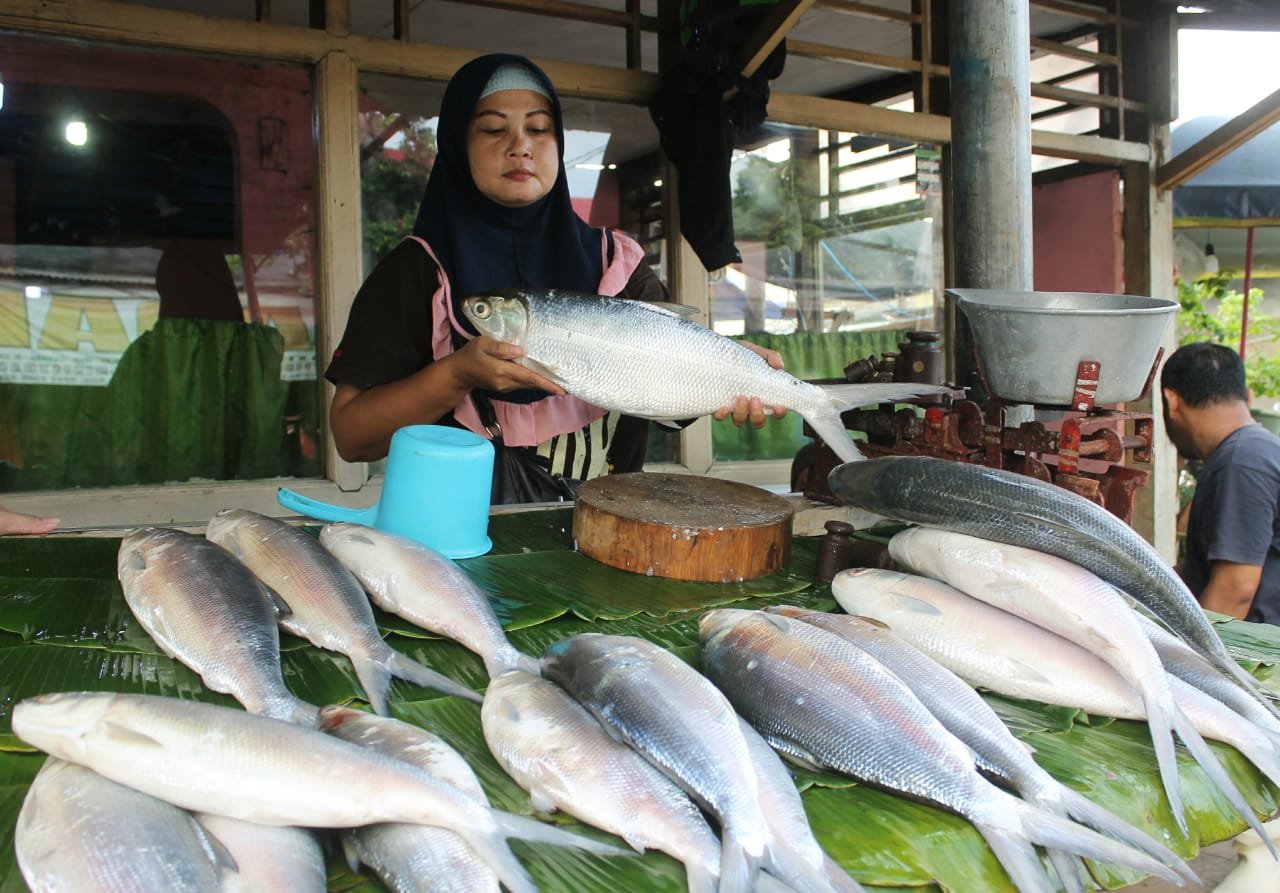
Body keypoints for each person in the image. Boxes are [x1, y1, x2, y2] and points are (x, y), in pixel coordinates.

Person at [325, 53, 784, 501]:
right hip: (456, 559)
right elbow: (352, 437)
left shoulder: (617, 264)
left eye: (539, 128)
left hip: (604, 547)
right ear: (455, 144)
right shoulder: (419, 272)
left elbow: (668, 405)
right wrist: (458, 373)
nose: (520, 145)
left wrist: (729, 371)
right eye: (492, 128)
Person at [1161, 341, 1280, 623]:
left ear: (1171, 400)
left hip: (1259, 659)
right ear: (1248, 397)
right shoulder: (1259, 450)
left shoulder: (1241, 462)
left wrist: (1184, 663)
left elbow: (1235, 589)